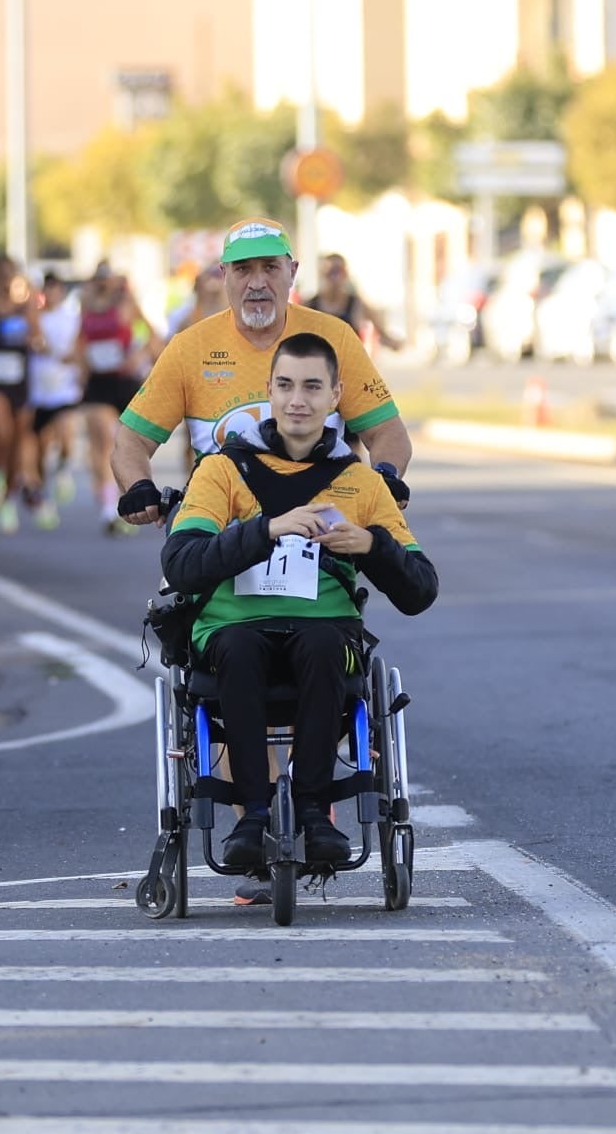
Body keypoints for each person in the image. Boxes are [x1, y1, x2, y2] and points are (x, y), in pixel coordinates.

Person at [160, 332, 438, 869]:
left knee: (321, 644)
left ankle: (315, 815)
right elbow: (181, 562)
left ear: (337, 396)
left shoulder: (360, 484)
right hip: (231, 630)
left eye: (313, 387)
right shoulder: (223, 469)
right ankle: (252, 817)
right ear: (268, 390)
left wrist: (373, 546)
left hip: (324, 630)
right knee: (239, 648)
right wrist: (266, 530)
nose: (297, 400)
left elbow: (420, 589)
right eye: (285, 385)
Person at [112, 216, 413, 528]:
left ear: (292, 272)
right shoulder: (189, 347)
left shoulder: (335, 338)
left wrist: (386, 475)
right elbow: (131, 441)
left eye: (270, 267)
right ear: (223, 274)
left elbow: (387, 432)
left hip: (318, 531)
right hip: (221, 531)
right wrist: (139, 488)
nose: (256, 283)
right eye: (243, 269)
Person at [77, 273, 155, 535]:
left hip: (124, 382)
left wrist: (138, 354)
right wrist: (81, 364)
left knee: (123, 444)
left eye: (106, 280)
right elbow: (80, 341)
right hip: (98, 383)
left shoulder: (126, 304)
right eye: (98, 280)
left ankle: (124, 498)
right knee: (102, 440)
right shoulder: (85, 306)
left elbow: (153, 337)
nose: (102, 286)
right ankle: (109, 508)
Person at [0, 255, 47, 533]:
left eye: (11, 276)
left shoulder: (25, 308)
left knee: (18, 441)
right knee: (1, 434)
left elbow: (38, 338)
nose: (7, 283)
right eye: (2, 277)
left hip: (21, 381)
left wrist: (34, 341)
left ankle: (8, 498)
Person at [28, 274, 83, 518]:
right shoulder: (35, 318)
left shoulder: (72, 318)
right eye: (47, 290)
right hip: (39, 391)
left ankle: (64, 468)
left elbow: (80, 346)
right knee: (40, 447)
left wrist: (77, 361)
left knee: (66, 434)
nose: (52, 294)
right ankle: (43, 493)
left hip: (65, 387)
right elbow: (33, 341)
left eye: (56, 289)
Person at [308, 253, 402, 351]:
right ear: (322, 274)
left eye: (339, 272)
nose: (335, 278)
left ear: (346, 274)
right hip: (318, 365)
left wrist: (393, 342)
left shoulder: (357, 304)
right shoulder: (309, 305)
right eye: (331, 272)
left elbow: (382, 334)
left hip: (349, 364)